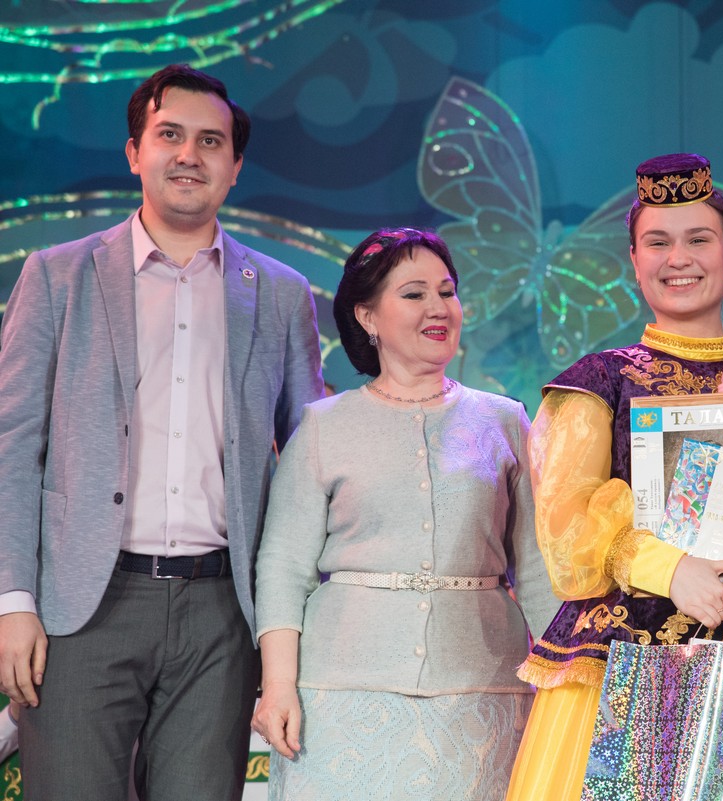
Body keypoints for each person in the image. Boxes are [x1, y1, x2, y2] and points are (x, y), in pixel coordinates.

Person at [0, 64, 324, 799]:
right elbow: (11, 450)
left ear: (235, 167)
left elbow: (310, 465)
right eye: (169, 134)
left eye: (211, 141)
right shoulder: (55, 277)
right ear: (134, 153)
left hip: (221, 614)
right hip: (81, 608)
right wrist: (13, 600)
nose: (189, 155)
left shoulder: (280, 294)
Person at [505, 153, 723, 801]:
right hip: (629, 647)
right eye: (658, 242)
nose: (679, 258)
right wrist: (670, 569)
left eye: (699, 239)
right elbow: (565, 530)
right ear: (633, 258)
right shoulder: (599, 382)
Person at [251, 227, 559, 801]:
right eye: (414, 294)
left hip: (481, 694)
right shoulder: (323, 425)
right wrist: (278, 685)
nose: (438, 308)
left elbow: (540, 570)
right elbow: (283, 568)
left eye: (447, 292)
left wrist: (563, 684)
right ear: (367, 316)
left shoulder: (504, 420)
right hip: (340, 697)